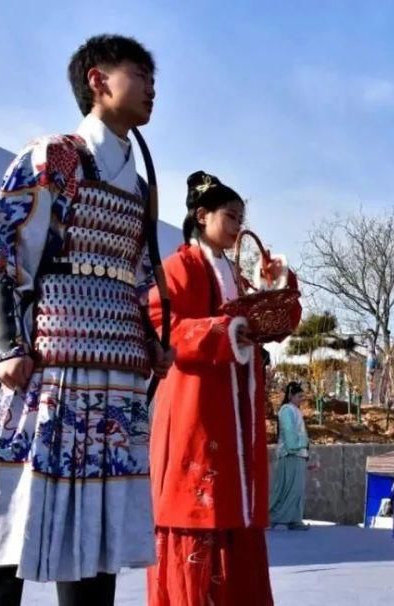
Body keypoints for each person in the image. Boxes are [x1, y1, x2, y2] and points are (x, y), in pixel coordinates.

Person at [0, 35, 173, 605]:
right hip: (50, 364)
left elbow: (140, 272)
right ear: (99, 80)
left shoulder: (141, 184)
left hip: (117, 373)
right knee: (12, 510)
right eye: (139, 73)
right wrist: (8, 346)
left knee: (97, 528)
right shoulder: (52, 155)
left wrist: (152, 339)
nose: (152, 86)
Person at [145, 170, 300, 606]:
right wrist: (226, 331)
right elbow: (161, 326)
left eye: (240, 218)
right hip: (196, 408)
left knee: (235, 516)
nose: (236, 226)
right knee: (197, 514)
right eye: (230, 216)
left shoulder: (237, 274)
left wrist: (272, 285)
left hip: (237, 413)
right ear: (201, 215)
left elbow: (284, 319)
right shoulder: (178, 267)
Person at [270, 382, 311, 530]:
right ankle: (272, 516)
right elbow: (289, 434)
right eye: (299, 396)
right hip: (290, 454)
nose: (301, 399)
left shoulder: (295, 410)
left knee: (297, 489)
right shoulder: (286, 410)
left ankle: (294, 519)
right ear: (291, 395)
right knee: (287, 488)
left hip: (298, 454)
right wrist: (300, 444)